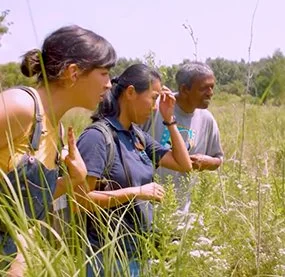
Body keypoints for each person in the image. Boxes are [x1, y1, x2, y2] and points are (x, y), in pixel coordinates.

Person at [0, 25, 116, 276]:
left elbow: (27, 204)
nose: (109, 85)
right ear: (73, 72)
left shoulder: (59, 131)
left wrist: (73, 181)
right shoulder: (20, 106)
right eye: (104, 73)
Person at [75, 63, 192, 276]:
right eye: (153, 97)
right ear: (130, 93)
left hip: (138, 252)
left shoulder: (137, 136)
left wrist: (169, 119)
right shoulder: (97, 137)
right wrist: (136, 193)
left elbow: (184, 164)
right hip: (106, 256)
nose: (155, 106)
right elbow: (80, 200)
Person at [143, 62, 223, 214]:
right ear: (184, 89)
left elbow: (218, 159)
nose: (210, 92)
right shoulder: (157, 107)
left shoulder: (207, 119)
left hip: (180, 213)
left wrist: (207, 161)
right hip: (145, 208)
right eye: (204, 88)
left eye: (212, 86)